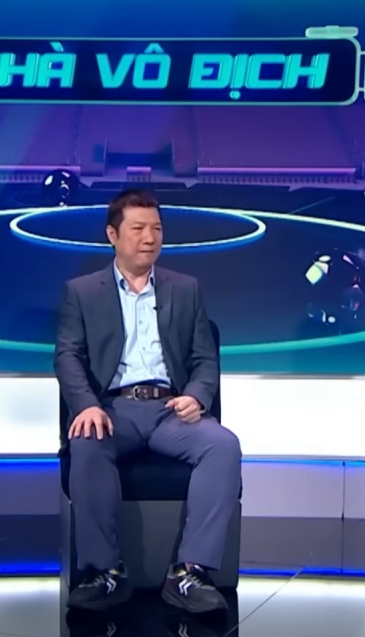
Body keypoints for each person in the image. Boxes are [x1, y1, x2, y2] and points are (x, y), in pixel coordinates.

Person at [55, 188, 242, 614]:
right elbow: (68, 355)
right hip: (112, 410)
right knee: (87, 443)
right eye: (138, 228)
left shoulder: (185, 289)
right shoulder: (82, 292)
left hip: (169, 411)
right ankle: (105, 572)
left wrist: (197, 396)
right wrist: (86, 405)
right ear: (113, 235)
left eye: (156, 228)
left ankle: (190, 573)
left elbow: (204, 358)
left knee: (223, 445)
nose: (150, 237)